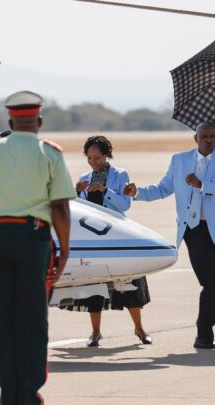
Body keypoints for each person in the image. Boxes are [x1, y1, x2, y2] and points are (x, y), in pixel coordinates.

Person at [0, 91, 74, 405]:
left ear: (9, 121)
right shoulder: (50, 154)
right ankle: (29, 400)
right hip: (32, 239)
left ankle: (6, 401)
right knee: (32, 322)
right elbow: (60, 206)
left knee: (1, 320)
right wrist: (64, 249)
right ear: (38, 122)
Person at [124, 122, 215, 350]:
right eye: (204, 136)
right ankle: (203, 337)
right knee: (210, 284)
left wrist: (202, 184)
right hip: (194, 231)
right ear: (196, 138)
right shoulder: (180, 160)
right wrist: (138, 193)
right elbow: (163, 188)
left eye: (213, 136)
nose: (209, 140)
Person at [71, 135, 152, 347]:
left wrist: (105, 191)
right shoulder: (85, 176)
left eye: (97, 158)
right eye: (89, 158)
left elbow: (125, 205)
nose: (93, 162)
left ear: (107, 156)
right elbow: (78, 209)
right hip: (94, 237)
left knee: (129, 284)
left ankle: (140, 329)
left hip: (116, 233)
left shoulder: (120, 175)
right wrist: (77, 192)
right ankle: (95, 333)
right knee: (93, 286)